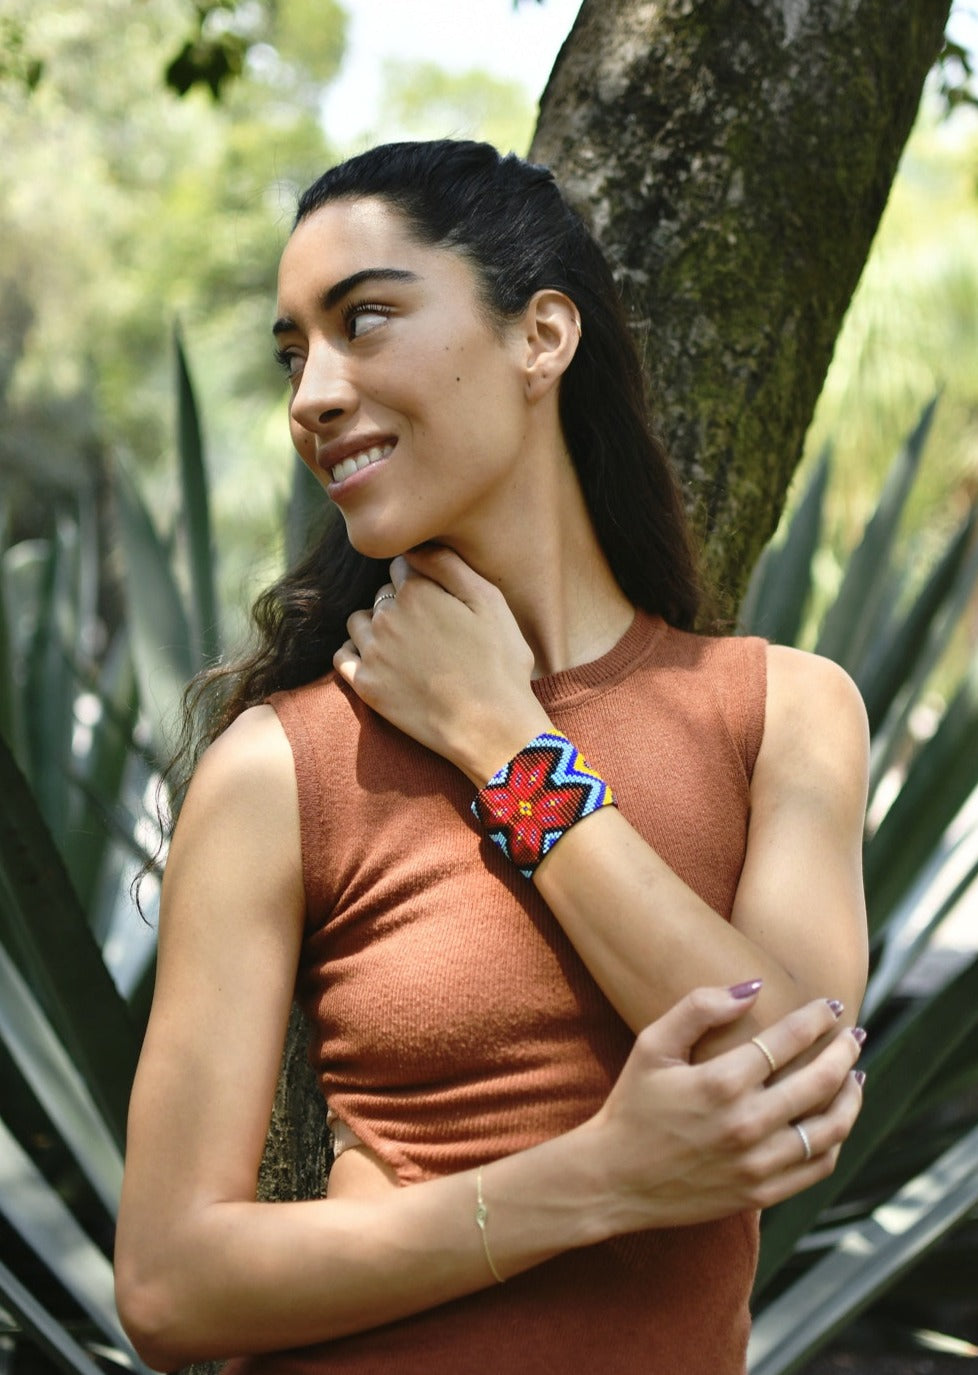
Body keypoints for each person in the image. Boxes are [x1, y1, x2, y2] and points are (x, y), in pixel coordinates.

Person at [114, 140, 869, 1374]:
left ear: (543, 336)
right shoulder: (280, 768)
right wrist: (594, 1180)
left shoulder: (782, 711)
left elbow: (788, 1089)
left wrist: (507, 743)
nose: (313, 393)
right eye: (296, 353)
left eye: (366, 321)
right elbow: (165, 1283)